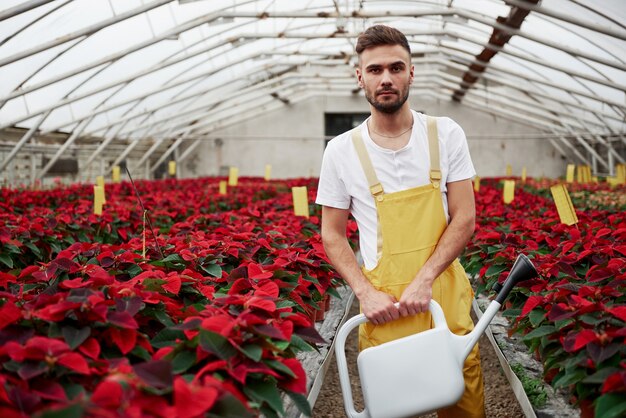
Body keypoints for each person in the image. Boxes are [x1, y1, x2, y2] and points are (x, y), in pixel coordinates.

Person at [316, 25, 485, 417]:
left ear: (412, 71)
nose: (386, 78)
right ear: (360, 77)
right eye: (375, 70)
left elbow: (465, 217)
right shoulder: (340, 151)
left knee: (464, 397)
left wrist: (425, 279)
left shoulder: (445, 134)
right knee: (393, 403)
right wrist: (363, 292)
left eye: (396, 67)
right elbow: (332, 234)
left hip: (444, 294)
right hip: (385, 305)